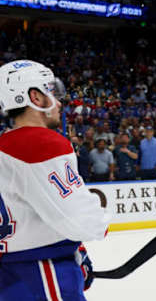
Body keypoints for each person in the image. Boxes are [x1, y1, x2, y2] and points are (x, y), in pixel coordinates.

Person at [0, 60, 110, 300]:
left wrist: (76, 248)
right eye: (49, 91)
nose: (58, 102)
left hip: (9, 274)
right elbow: (81, 217)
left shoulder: (4, 147)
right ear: (35, 97)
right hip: (43, 271)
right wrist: (96, 226)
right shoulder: (41, 143)